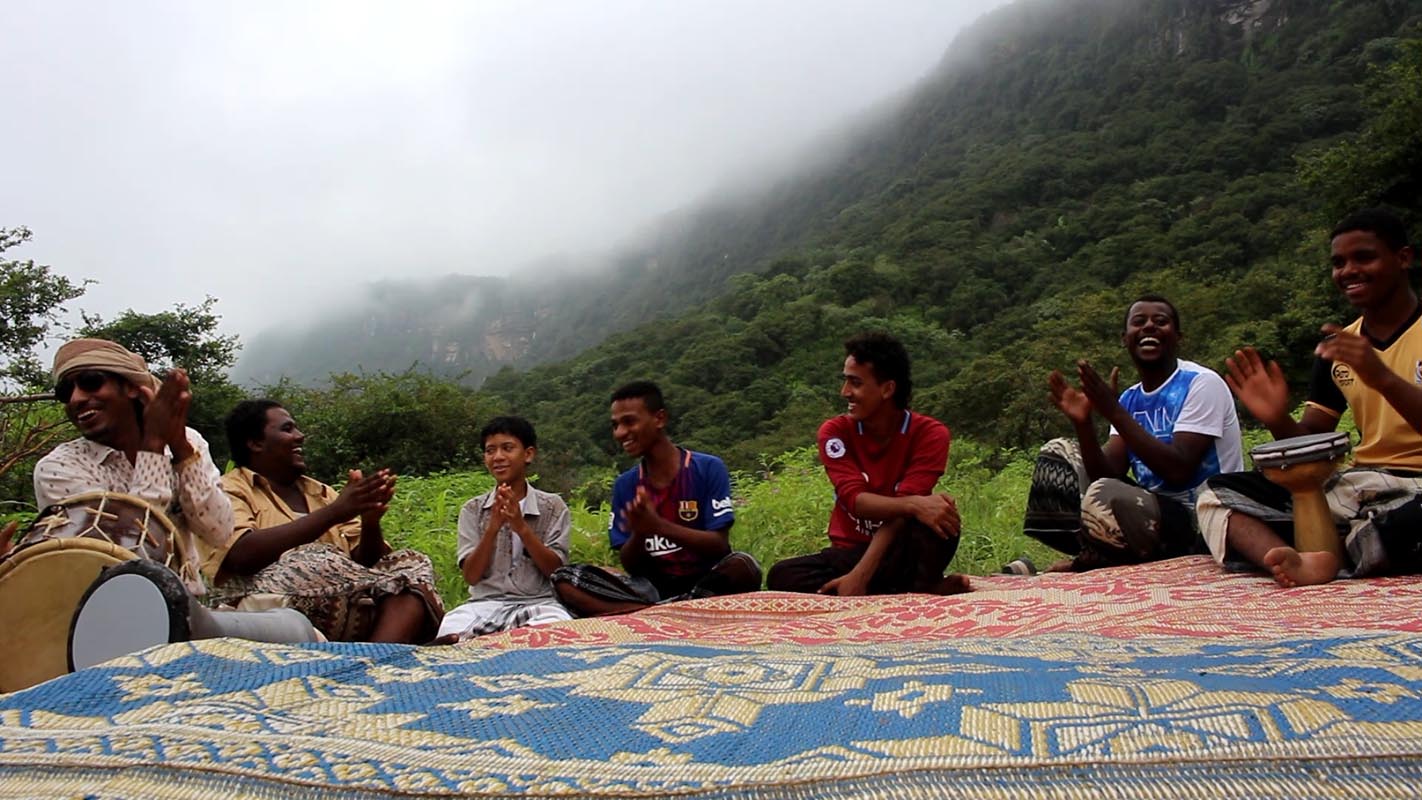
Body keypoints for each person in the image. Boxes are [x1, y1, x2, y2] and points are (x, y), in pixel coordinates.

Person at [1198, 208, 1422, 587]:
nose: (1348, 271)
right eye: (1338, 263)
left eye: (1363, 257)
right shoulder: (1338, 349)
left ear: (1403, 258)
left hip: (1416, 490)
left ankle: (1330, 548)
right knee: (1216, 495)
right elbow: (1313, 449)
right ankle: (1301, 556)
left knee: (1408, 520)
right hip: (1359, 487)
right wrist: (1277, 418)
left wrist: (1381, 377)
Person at [1022, 295, 1243, 570]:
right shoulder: (1129, 398)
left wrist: (1114, 411)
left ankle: (1094, 560)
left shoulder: (1201, 384)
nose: (1149, 326)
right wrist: (1084, 423)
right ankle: (1091, 551)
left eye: (1160, 321)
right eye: (1139, 322)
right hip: (1152, 511)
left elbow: (1179, 469)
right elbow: (1106, 472)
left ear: (1178, 337)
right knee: (1057, 454)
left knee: (1108, 493)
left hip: (1201, 518)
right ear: (1125, 339)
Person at [204, 399, 443, 642]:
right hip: (266, 608)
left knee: (411, 564)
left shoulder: (322, 493)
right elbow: (240, 555)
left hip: (345, 601)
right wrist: (335, 513)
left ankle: (375, 654)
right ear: (255, 443)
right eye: (287, 429)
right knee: (314, 559)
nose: (300, 436)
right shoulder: (229, 490)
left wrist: (370, 522)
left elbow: (366, 562)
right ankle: (387, 649)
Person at [766, 332, 968, 596]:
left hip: (898, 547)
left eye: (855, 383)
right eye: (846, 381)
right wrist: (913, 504)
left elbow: (902, 515)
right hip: (850, 552)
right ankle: (918, 588)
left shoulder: (929, 434)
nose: (845, 392)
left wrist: (861, 576)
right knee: (782, 575)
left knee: (940, 521)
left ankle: (876, 587)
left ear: (887, 389)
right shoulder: (835, 433)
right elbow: (855, 501)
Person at [31, 338, 235, 594]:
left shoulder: (189, 441)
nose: (76, 398)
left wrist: (181, 449)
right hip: (110, 609)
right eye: (65, 392)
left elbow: (219, 532)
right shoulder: (60, 468)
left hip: (188, 605)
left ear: (131, 388)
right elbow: (121, 561)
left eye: (90, 382)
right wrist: (153, 446)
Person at [553, 381, 761, 616]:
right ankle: (678, 608)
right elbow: (631, 565)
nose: (620, 433)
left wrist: (658, 526)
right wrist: (640, 533)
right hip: (652, 587)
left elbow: (719, 545)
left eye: (629, 422)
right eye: (615, 425)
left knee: (744, 566)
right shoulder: (626, 485)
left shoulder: (707, 468)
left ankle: (651, 613)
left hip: (707, 577)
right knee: (566, 578)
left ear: (659, 419)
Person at [437, 416, 572, 640]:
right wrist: (492, 528)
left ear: (528, 454)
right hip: (484, 603)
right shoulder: (473, 509)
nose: (498, 457)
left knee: (554, 632)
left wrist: (521, 527)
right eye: (490, 451)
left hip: (539, 603)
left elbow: (555, 570)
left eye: (507, 448)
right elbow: (471, 576)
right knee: (449, 633)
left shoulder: (552, 507)